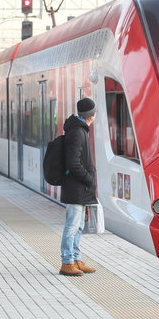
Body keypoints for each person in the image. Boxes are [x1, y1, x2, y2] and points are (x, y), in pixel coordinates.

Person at [58, 97, 98, 276]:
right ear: (92, 115)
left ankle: (75, 258)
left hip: (80, 188)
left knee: (79, 224)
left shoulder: (80, 130)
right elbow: (73, 163)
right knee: (72, 225)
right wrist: (89, 178)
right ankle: (67, 262)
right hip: (76, 187)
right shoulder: (77, 132)